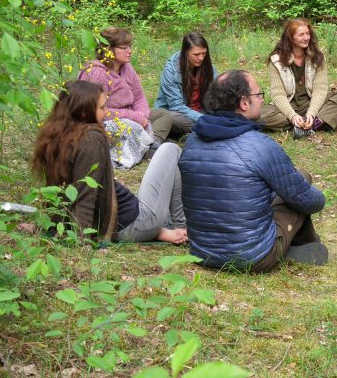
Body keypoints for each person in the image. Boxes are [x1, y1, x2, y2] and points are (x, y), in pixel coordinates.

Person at [179, 70, 328, 272]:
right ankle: (300, 246)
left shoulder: (191, 141)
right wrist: (320, 198)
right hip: (252, 257)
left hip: (201, 253)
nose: (261, 100)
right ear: (243, 103)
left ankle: (299, 245)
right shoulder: (260, 145)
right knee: (300, 181)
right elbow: (309, 201)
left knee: (282, 186)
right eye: (259, 95)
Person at [31, 81, 187, 244]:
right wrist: (80, 242)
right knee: (170, 149)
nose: (107, 112)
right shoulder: (92, 138)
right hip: (135, 222)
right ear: (84, 112)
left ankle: (171, 226)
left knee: (169, 179)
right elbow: (86, 194)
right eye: (102, 107)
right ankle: (180, 228)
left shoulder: (56, 137)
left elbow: (56, 192)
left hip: (126, 217)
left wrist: (46, 224)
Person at [79, 27, 173, 167]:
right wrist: (134, 117)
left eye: (130, 46)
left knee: (163, 115)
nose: (130, 51)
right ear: (109, 50)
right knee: (126, 126)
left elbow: (139, 97)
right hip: (107, 121)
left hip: (133, 116)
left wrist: (143, 116)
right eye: (124, 48)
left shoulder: (127, 67)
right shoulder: (97, 73)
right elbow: (98, 112)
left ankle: (153, 144)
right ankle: (147, 146)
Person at [259, 19, 337, 138]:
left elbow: (320, 90)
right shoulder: (277, 60)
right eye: (301, 34)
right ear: (291, 37)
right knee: (257, 115)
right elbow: (278, 94)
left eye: (308, 33)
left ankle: (313, 123)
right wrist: (292, 115)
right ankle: (301, 122)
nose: (306, 38)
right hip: (290, 104)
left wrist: (311, 113)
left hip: (312, 101)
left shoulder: (317, 57)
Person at [153, 31, 217, 134]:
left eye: (204, 53)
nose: (201, 58)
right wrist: (203, 118)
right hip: (178, 113)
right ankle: (210, 127)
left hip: (201, 111)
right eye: (196, 54)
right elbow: (176, 106)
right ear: (186, 53)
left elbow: (216, 95)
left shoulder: (209, 67)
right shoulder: (171, 70)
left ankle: (207, 128)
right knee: (169, 117)